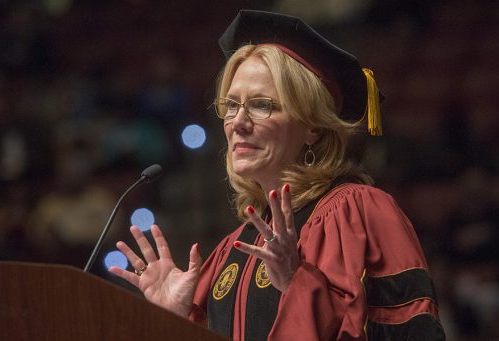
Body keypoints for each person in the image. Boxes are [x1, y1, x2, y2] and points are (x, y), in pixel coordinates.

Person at [109, 10, 445, 340]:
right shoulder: (232, 248)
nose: (237, 122)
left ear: (312, 126)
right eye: (231, 105)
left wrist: (297, 282)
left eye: (261, 104)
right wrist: (180, 318)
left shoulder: (358, 211)